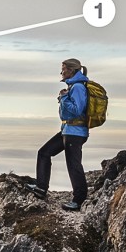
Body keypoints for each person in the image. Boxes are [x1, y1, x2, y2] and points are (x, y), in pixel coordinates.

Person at [27, 58, 90, 211]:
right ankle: (41, 188)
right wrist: (65, 97)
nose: (61, 72)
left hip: (75, 132)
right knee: (44, 152)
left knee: (73, 165)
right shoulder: (72, 86)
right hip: (67, 130)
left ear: (71, 70)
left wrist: (63, 98)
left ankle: (79, 200)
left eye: (63, 69)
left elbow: (77, 110)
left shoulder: (78, 87)